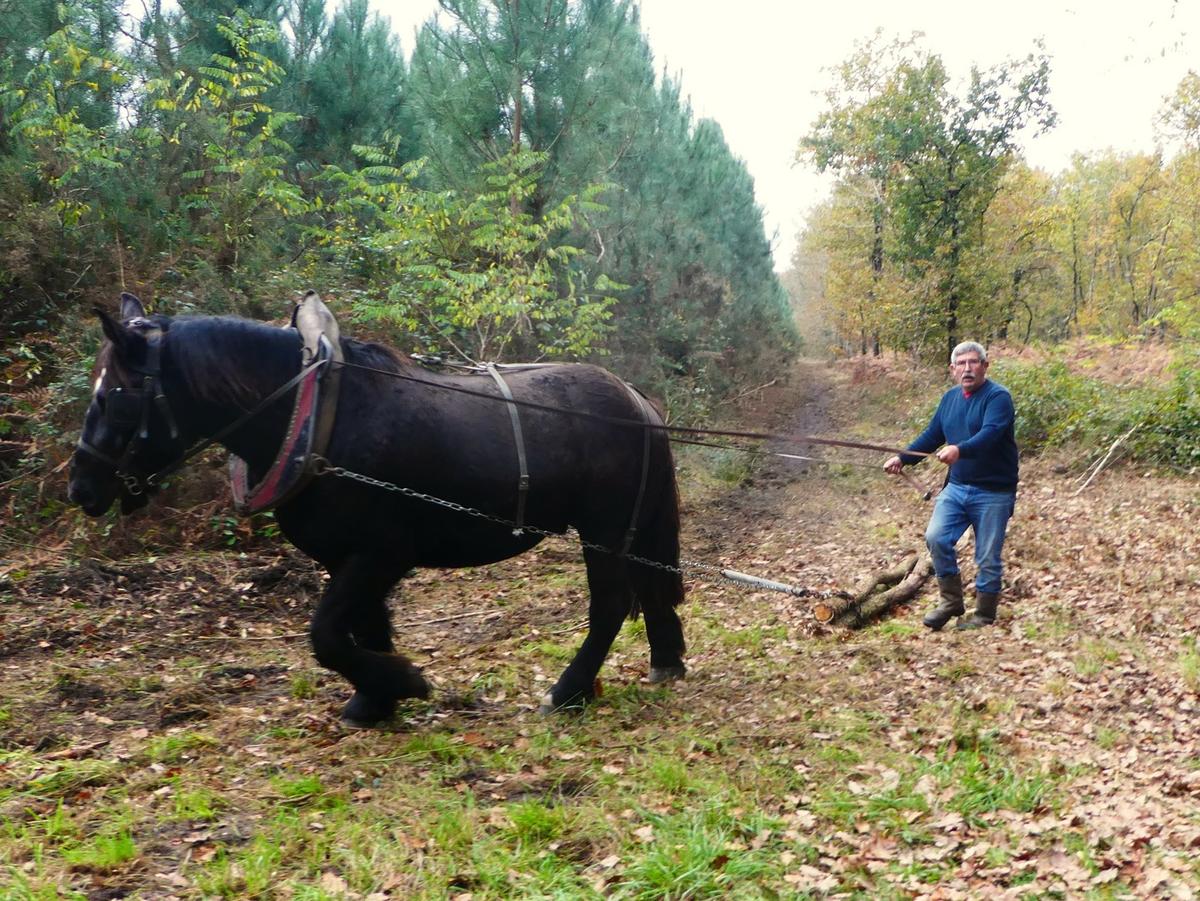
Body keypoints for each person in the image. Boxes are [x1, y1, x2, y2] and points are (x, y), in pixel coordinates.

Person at [884, 341, 1018, 631]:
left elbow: (991, 434)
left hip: (994, 491)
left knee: (987, 556)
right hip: (957, 488)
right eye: (961, 363)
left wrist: (960, 450)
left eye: (973, 362)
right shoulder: (949, 399)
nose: (967, 368)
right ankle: (951, 602)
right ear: (952, 369)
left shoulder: (998, 398)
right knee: (936, 537)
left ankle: (984, 614)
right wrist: (902, 458)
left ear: (985, 365)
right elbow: (933, 435)